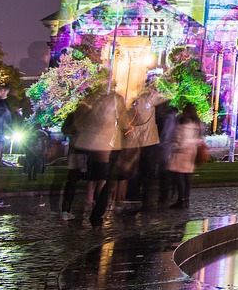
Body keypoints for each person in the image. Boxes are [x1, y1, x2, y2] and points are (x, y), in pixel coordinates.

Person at [81, 87, 128, 227]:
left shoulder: (97, 104)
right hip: (108, 145)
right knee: (105, 177)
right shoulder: (115, 102)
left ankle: (91, 201)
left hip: (96, 143)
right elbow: (124, 123)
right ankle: (98, 209)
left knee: (95, 175)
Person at [125, 87, 164, 212]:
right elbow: (162, 96)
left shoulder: (136, 105)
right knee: (146, 172)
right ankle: (143, 198)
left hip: (138, 141)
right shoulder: (147, 101)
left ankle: (133, 195)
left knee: (137, 171)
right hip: (148, 141)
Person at [59, 98, 92, 220]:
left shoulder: (75, 116)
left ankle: (67, 210)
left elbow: (65, 130)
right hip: (85, 151)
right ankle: (74, 209)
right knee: (85, 180)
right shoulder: (88, 116)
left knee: (72, 181)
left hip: (79, 150)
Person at [167, 104, 202, 208]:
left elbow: (181, 137)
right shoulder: (197, 123)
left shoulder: (185, 122)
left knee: (180, 176)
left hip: (182, 151)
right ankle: (186, 199)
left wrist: (176, 146)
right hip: (191, 150)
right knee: (187, 176)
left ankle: (181, 199)